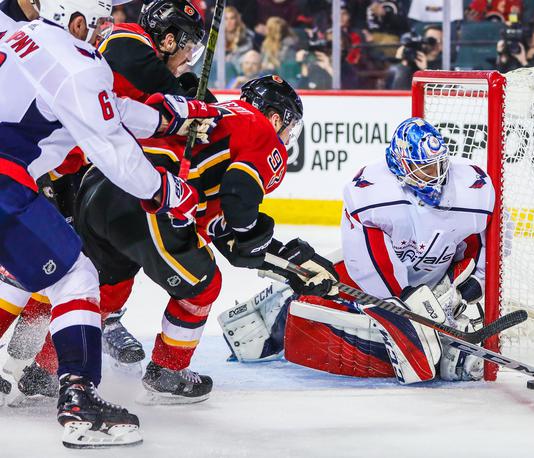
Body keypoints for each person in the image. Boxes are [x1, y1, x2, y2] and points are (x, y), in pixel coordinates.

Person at [0, 0, 218, 447]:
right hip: (6, 176)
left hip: (15, 172)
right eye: (99, 24)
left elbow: (108, 108)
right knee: (76, 275)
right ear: (76, 22)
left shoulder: (18, 35)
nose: (104, 33)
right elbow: (113, 150)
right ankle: (79, 399)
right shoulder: (78, 61)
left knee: (17, 275)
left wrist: (167, 117)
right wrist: (167, 191)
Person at [71, 75, 337, 405]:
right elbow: (240, 196)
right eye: (288, 125)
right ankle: (168, 371)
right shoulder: (262, 131)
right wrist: (251, 235)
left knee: (104, 291)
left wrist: (280, 260)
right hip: (149, 193)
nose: (286, 135)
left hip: (100, 183)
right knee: (203, 283)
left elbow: (220, 230)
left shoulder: (218, 116)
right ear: (275, 117)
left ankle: (44, 371)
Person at [219, 118, 496, 385]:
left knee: (419, 346)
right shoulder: (373, 192)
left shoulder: (474, 188)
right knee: (326, 292)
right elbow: (367, 263)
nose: (433, 176)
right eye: (423, 168)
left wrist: (468, 288)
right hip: (390, 281)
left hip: (437, 281)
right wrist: (397, 303)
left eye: (437, 166)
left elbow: (487, 244)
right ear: (400, 166)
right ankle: (272, 321)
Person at [386, 26, 443, 90]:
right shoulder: (409, 58)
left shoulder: (443, 66)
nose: (434, 44)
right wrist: (401, 61)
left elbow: (439, 92)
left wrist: (425, 71)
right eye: (430, 39)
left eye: (439, 41)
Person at [222, 6, 256, 82]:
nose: (229, 22)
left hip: (243, 76)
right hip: (222, 77)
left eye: (232, 18)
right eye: (226, 19)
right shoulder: (217, 38)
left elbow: (247, 61)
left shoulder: (247, 37)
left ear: (237, 20)